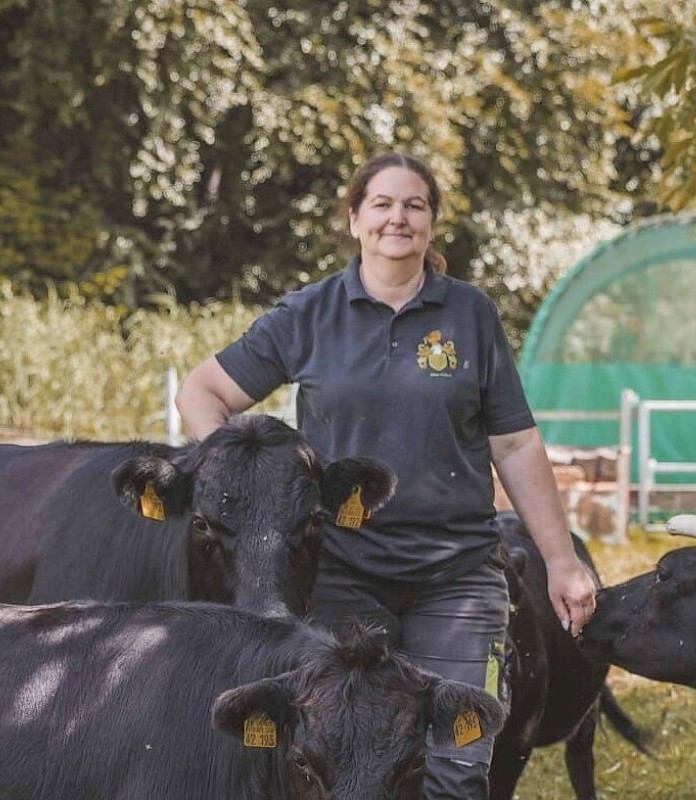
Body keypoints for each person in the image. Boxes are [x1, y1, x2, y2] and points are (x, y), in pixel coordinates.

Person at [175, 152, 596, 800]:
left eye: (414, 205)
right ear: (354, 219)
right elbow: (202, 392)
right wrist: (241, 475)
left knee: (457, 771)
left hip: (458, 577)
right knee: (343, 765)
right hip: (341, 578)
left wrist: (562, 561)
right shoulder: (310, 314)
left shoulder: (470, 314)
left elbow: (514, 444)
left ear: (431, 224)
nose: (397, 217)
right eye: (382, 204)